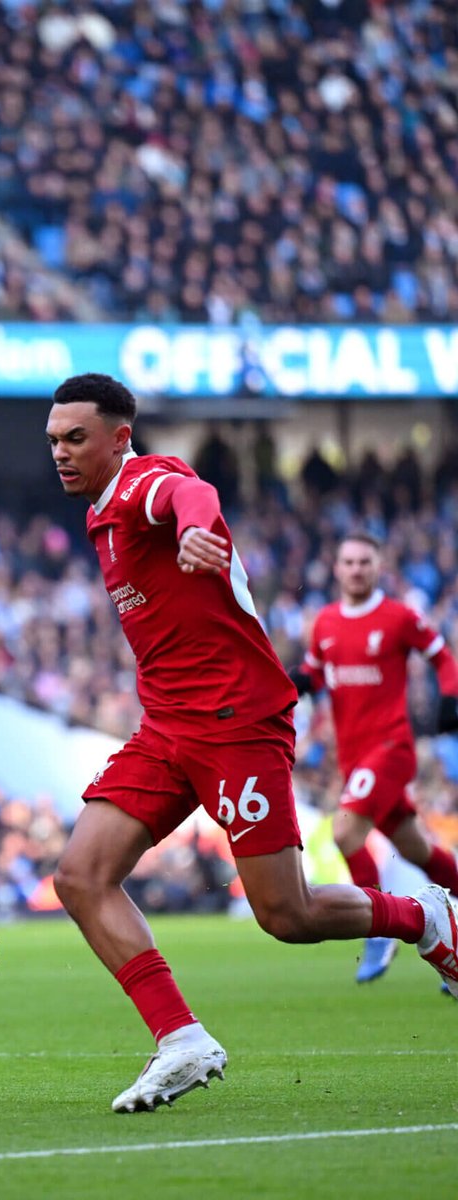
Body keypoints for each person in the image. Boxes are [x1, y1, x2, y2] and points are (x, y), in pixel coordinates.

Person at [43, 373, 458, 1114]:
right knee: (79, 876)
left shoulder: (145, 483)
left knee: (286, 916)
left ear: (119, 438)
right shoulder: (100, 515)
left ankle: (424, 915)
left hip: (237, 723)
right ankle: (181, 1039)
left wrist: (202, 529)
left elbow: (187, 494)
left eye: (76, 439)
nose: (61, 453)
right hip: (167, 727)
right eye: (53, 440)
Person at [292, 532, 458, 984]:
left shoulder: (399, 616)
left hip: (391, 749)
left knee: (344, 832)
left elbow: (443, 657)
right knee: (417, 848)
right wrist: (292, 686)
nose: (356, 569)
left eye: (365, 561)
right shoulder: (324, 622)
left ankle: (379, 927)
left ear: (378, 566)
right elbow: (312, 673)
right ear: (337, 569)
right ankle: (454, 933)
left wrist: (450, 698)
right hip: (354, 757)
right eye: (348, 562)